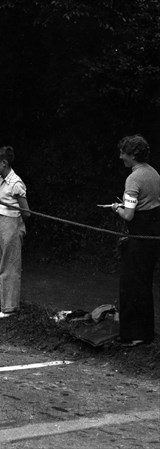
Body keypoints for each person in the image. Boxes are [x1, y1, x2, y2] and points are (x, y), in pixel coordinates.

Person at [110, 134, 159, 347]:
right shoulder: (154, 173)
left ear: (133, 155)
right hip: (153, 234)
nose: (121, 157)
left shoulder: (134, 178)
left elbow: (128, 215)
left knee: (131, 284)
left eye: (123, 153)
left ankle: (133, 335)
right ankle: (145, 332)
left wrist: (116, 208)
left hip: (139, 235)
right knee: (144, 283)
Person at [0, 146, 30, 320]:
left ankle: (9, 308)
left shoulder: (16, 183)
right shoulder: (0, 179)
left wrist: (17, 227)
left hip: (11, 223)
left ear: (4, 163)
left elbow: (26, 212)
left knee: (9, 265)